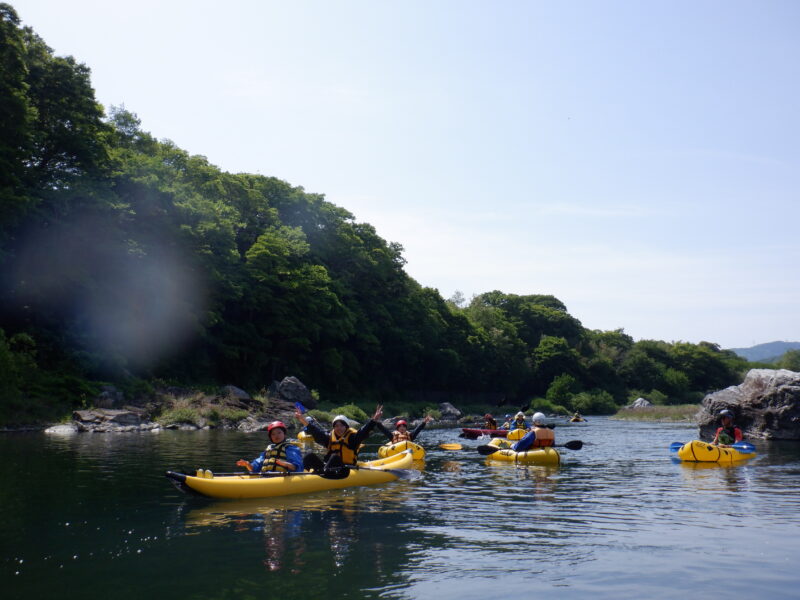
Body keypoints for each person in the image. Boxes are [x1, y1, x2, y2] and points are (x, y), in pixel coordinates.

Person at [295, 405, 383, 477]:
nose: (339, 428)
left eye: (341, 426)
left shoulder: (352, 437)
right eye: (336, 426)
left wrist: (373, 420)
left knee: (335, 457)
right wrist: (303, 420)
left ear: (346, 427)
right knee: (309, 455)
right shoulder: (329, 437)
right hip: (328, 469)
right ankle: (302, 475)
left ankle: (321, 476)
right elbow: (316, 432)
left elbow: (363, 431)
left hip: (343, 470)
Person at [236, 420, 303, 473]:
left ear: (284, 434)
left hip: (282, 477)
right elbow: (255, 468)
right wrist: (247, 464)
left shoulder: (290, 448)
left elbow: (297, 467)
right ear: (270, 437)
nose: (276, 436)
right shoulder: (269, 450)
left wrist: (286, 464)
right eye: (273, 434)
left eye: (279, 432)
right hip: (266, 477)